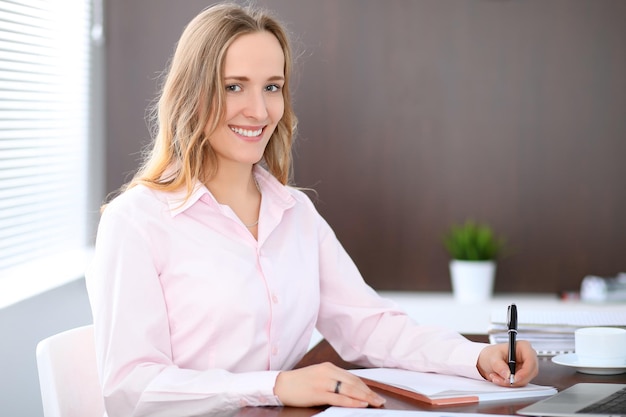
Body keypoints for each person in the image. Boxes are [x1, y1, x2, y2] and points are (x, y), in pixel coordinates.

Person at [86, 2, 539, 416]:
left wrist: (474, 357)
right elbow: (130, 388)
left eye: (272, 87)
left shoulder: (295, 212)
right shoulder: (137, 222)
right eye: (233, 86)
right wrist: (277, 385)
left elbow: (369, 325)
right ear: (192, 93)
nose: (259, 110)